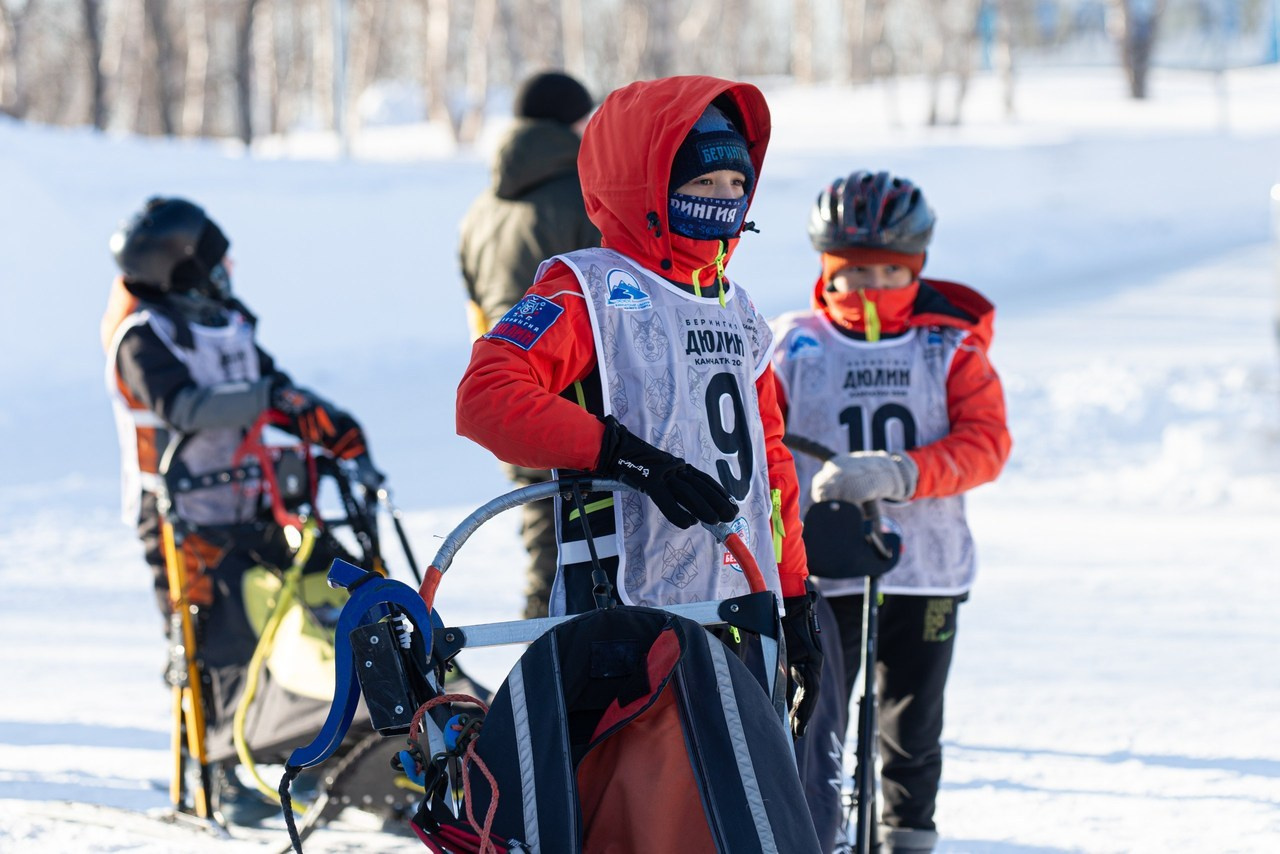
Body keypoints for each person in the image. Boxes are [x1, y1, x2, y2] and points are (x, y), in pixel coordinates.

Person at [455, 75, 824, 740]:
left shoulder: (735, 307)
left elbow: (771, 467)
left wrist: (795, 595)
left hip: (742, 609)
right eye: (703, 184)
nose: (724, 200)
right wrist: (626, 457)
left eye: (736, 185)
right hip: (624, 620)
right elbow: (485, 398)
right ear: (646, 182)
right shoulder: (585, 289)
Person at [101, 196, 385, 825]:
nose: (228, 267)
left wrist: (332, 428)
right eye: (214, 259)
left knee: (303, 606)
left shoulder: (221, 322)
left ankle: (318, 741)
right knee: (214, 634)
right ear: (183, 267)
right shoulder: (140, 338)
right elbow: (185, 407)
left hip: (248, 499)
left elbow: (275, 391)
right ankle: (225, 772)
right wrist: (270, 397)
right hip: (177, 515)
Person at [769, 170, 1012, 854]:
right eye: (850, 271)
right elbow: (763, 438)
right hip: (826, 570)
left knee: (912, 723)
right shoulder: (793, 345)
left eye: (886, 270)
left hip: (925, 568)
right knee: (815, 719)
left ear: (916, 267)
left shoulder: (950, 347)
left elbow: (987, 443)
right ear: (825, 268)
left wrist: (903, 471)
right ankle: (812, 835)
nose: (867, 286)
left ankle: (909, 840)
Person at [457, 69, 601, 619]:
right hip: (581, 401)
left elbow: (475, 305)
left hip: (508, 390)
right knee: (590, 555)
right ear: (575, 121)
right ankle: (552, 672)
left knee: (542, 533)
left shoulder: (479, 211)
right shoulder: (587, 199)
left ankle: (542, 644)